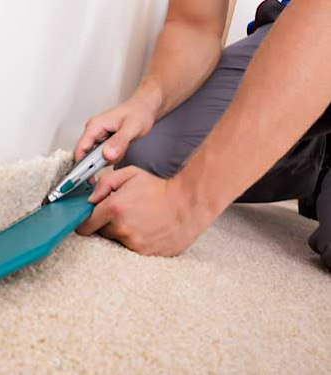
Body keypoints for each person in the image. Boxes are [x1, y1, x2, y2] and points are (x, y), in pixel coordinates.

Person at [72, 0, 331, 269]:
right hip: (297, 32)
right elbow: (194, 24)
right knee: (148, 156)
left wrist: (183, 204)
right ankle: (314, 157)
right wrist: (148, 101)